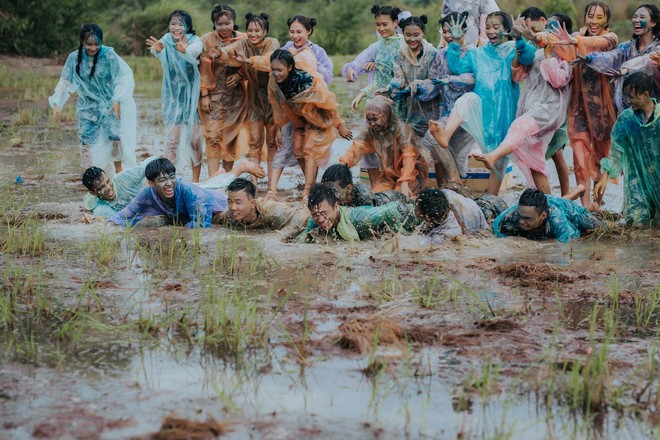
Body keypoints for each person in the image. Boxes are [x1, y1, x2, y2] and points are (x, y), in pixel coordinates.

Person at [428, 12, 535, 195]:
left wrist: (520, 40)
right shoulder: (477, 53)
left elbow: (528, 58)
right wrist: (454, 42)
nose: (491, 31)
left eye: (495, 27)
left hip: (505, 111)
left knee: (499, 159)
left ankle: (491, 199)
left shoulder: (512, 48)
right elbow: (457, 67)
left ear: (507, 30)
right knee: (467, 99)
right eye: (488, 27)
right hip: (482, 109)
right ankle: (445, 135)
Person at [472, 10, 573, 195]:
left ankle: (493, 156)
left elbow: (558, 80)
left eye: (552, 29)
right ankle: (548, 203)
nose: (543, 35)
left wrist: (550, 55)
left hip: (548, 111)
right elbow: (517, 76)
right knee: (534, 159)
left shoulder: (565, 57)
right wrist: (520, 51)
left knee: (518, 127)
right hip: (532, 109)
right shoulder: (536, 52)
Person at [546, 2, 618, 207]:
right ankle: (586, 207)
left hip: (604, 110)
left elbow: (599, 44)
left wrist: (573, 41)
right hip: (578, 108)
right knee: (579, 157)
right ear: (584, 17)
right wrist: (540, 37)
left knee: (601, 157)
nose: (594, 21)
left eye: (599, 17)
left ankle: (597, 202)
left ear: (607, 20)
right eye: (590, 16)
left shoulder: (610, 38)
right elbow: (560, 49)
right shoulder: (575, 37)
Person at [50, 24, 137, 173]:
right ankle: (90, 175)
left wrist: (117, 99)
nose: (93, 48)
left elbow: (121, 77)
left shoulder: (108, 55)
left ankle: (118, 172)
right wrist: (58, 103)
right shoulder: (74, 58)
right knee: (86, 141)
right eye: (89, 44)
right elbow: (64, 81)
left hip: (109, 105)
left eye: (97, 44)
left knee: (115, 138)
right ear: (82, 42)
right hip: (86, 107)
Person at [268, 49, 352, 202]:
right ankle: (313, 185)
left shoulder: (306, 81)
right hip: (299, 120)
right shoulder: (275, 82)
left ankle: (307, 191)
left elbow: (328, 104)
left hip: (318, 118)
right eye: (273, 69)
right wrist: (279, 127)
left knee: (309, 149)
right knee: (298, 150)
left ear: (290, 68)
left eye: (279, 70)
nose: (276, 73)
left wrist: (340, 126)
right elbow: (277, 105)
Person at [268, 15, 335, 199]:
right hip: (291, 108)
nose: (295, 36)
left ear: (309, 31)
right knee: (294, 149)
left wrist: (309, 63)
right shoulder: (285, 50)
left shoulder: (317, 51)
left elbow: (327, 76)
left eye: (299, 32)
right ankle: (302, 185)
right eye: (292, 32)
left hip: (312, 105)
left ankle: (309, 189)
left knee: (310, 148)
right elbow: (273, 73)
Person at [344, 4, 405, 186]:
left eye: (385, 24)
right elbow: (366, 72)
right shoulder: (377, 47)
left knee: (396, 145)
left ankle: (397, 185)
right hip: (376, 102)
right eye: (378, 25)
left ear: (395, 23)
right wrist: (362, 91)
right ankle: (375, 188)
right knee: (370, 143)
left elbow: (402, 76)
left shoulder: (404, 44)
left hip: (398, 102)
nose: (381, 28)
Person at [416, 12, 477, 186]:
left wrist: (452, 79)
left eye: (453, 31)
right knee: (438, 148)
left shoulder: (474, 53)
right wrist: (417, 87)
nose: (449, 35)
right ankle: (445, 191)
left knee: (456, 154)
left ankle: (456, 189)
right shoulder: (441, 54)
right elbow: (433, 84)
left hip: (466, 115)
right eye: (445, 31)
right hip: (446, 112)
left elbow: (475, 78)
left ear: (465, 30)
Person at [219, 13, 281, 184]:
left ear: (265, 31)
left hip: (273, 101)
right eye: (250, 30)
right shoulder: (243, 43)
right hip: (254, 101)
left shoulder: (271, 42)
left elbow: (270, 60)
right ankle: (253, 185)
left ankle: (272, 186)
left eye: (257, 30)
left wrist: (248, 60)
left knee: (272, 144)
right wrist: (219, 52)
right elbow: (228, 51)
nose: (253, 34)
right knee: (254, 143)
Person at [146, 10, 204, 182]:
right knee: (172, 141)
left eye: (181, 24)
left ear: (188, 26)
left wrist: (184, 51)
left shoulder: (195, 40)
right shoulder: (165, 40)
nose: (176, 27)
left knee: (195, 141)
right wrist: (157, 51)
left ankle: (195, 181)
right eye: (173, 23)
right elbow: (159, 50)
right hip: (172, 99)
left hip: (193, 99)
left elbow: (194, 53)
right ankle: (169, 180)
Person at [595, 73, 659, 225]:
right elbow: (616, 151)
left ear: (645, 95)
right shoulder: (626, 119)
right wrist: (605, 176)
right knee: (636, 222)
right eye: (626, 97)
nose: (628, 101)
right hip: (637, 185)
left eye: (632, 97)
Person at [339, 96, 427, 198]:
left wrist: (405, 181)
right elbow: (357, 147)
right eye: (369, 120)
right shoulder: (371, 131)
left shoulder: (402, 130)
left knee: (399, 198)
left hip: (412, 176)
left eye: (375, 119)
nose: (372, 123)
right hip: (388, 176)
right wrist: (343, 164)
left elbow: (410, 157)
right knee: (376, 198)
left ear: (385, 116)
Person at [581, 4, 660, 112]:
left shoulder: (657, 48)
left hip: (653, 112)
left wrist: (626, 69)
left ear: (653, 23)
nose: (636, 20)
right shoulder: (628, 46)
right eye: (635, 17)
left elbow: (647, 61)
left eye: (641, 17)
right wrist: (591, 58)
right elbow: (612, 56)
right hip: (628, 111)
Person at [108, 158, 228, 228]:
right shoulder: (147, 194)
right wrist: (109, 224)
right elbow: (125, 214)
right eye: (162, 180)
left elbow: (201, 226)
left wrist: (170, 232)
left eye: (172, 177)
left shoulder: (190, 193)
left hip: (218, 210)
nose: (169, 183)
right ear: (151, 183)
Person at [199, 4, 247, 176]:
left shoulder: (243, 39)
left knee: (231, 139)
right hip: (213, 97)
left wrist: (240, 75)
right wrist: (204, 94)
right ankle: (213, 179)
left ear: (234, 23)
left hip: (237, 98)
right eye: (220, 23)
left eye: (228, 23)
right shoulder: (207, 40)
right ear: (214, 24)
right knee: (212, 137)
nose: (224, 27)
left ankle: (226, 180)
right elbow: (203, 68)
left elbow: (250, 62)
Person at [297, 183, 419, 242]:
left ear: (336, 206)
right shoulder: (317, 217)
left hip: (403, 206)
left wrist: (403, 239)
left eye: (324, 213)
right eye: (315, 214)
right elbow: (303, 237)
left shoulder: (359, 219)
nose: (321, 219)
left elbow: (394, 209)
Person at [387, 15, 439, 137]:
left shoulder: (432, 54)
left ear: (423, 33)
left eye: (416, 35)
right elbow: (398, 78)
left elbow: (434, 81)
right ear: (403, 34)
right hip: (407, 109)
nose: (412, 39)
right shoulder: (398, 55)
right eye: (408, 35)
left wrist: (420, 84)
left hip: (430, 109)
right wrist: (390, 86)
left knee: (430, 146)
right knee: (407, 147)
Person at [493, 187, 602, 242]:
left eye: (527, 219)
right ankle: (576, 192)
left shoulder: (556, 219)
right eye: (519, 216)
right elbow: (496, 227)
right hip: (548, 203)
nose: (521, 221)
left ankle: (588, 207)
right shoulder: (510, 218)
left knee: (599, 227)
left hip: (569, 210)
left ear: (543, 216)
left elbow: (570, 241)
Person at [224, 178, 311, 237]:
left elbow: (305, 219)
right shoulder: (230, 216)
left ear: (253, 203)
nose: (233, 207)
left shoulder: (275, 213)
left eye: (238, 202)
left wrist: (276, 236)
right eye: (229, 202)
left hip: (295, 208)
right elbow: (215, 218)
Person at [82, 156, 158, 217]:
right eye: (101, 187)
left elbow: (154, 160)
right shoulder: (99, 207)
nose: (108, 188)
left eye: (108, 181)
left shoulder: (126, 178)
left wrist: (147, 186)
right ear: (93, 193)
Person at [414, 187, 491, 245]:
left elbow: (419, 243)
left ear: (427, 218)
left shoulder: (446, 234)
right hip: (475, 205)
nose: (415, 205)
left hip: (488, 208)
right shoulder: (442, 196)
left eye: (416, 205)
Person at [321, 164, 410, 207]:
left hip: (395, 201)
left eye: (333, 191)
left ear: (348, 189)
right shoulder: (338, 198)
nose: (328, 195)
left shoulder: (365, 198)